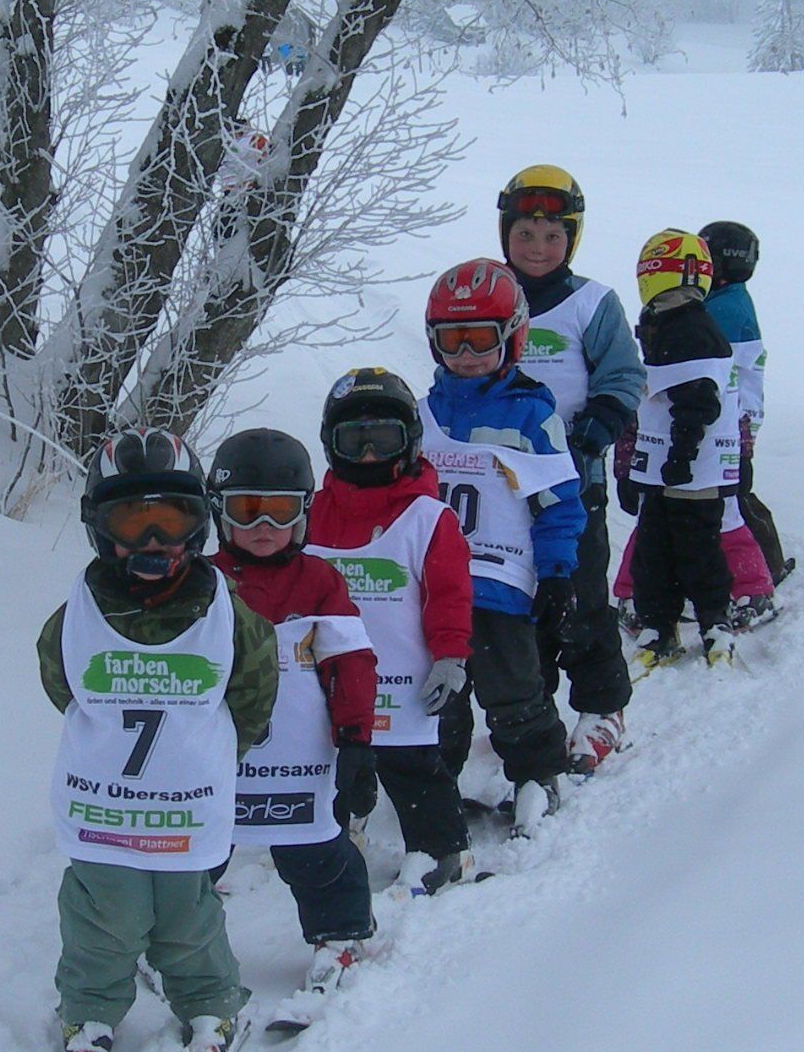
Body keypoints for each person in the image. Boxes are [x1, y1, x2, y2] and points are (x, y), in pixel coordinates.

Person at [38, 428, 278, 1052]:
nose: (152, 541)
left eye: (170, 521)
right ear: (99, 527)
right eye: (131, 521)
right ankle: (90, 1010)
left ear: (198, 524)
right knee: (103, 915)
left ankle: (212, 1003)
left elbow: (254, 692)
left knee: (186, 915)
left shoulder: (228, 616)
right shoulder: (77, 617)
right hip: (103, 805)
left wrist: (208, 755)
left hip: (186, 805)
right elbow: (63, 684)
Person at [205, 428, 379, 1001]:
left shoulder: (320, 582)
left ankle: (341, 933)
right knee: (196, 852)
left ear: (303, 513)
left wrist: (356, 739)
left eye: (279, 512)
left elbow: (350, 663)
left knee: (315, 850)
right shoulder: (203, 583)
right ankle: (174, 939)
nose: (263, 527)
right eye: (247, 510)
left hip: (298, 761)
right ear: (219, 512)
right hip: (219, 759)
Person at [419, 258, 581, 833]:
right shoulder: (421, 416)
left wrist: (558, 573)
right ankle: (432, 786)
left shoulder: (531, 416)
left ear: (512, 337)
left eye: (480, 339)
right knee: (435, 694)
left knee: (512, 689)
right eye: (452, 340)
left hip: (499, 586)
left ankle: (537, 775)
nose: (465, 354)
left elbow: (559, 503)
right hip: (431, 589)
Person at [306, 367, 481, 894]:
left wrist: (451, 655)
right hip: (332, 681)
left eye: (382, 440)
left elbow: (449, 594)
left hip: (401, 686)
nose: (367, 456)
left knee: (412, 767)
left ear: (409, 442)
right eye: (353, 441)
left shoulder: (427, 518)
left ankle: (440, 850)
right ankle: (336, 832)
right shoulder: (313, 514)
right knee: (330, 761)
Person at [496, 165, 642, 771]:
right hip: (500, 487)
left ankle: (603, 707)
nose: (537, 248)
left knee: (580, 599)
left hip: (573, 482)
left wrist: (599, 423)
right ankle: (535, 709)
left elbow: (624, 375)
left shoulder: (592, 303)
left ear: (572, 239)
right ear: (505, 234)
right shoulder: (488, 294)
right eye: (525, 234)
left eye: (553, 236)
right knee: (517, 602)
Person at [616, 230, 740, 668]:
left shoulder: (690, 329)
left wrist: (681, 456)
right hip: (662, 465)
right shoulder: (665, 322)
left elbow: (698, 401)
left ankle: (713, 622)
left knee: (696, 549)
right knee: (654, 551)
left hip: (691, 470)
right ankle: (658, 624)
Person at [702, 219, 790, 618]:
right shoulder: (725, 300)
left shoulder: (725, 308)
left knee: (730, 499)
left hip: (730, 421)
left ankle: (762, 571)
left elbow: (711, 366)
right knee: (730, 495)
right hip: (733, 418)